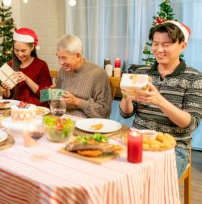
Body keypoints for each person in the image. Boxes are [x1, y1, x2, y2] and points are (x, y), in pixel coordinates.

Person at [119, 21, 202, 178]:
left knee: (151, 185)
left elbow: (190, 124)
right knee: (113, 175)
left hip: (173, 148)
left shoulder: (194, 78)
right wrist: (127, 97)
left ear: (182, 46)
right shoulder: (142, 72)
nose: (159, 49)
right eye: (155, 44)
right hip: (138, 141)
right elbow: (126, 114)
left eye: (166, 44)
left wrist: (159, 100)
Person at [55, 34, 112, 118]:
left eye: (64, 58)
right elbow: (58, 104)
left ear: (78, 56)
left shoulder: (98, 74)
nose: (60, 62)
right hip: (63, 120)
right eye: (58, 57)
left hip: (87, 124)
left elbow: (103, 111)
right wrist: (53, 94)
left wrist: (77, 102)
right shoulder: (62, 71)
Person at [1, 28, 52, 106]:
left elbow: (46, 96)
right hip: (19, 109)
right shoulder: (10, 65)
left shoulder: (41, 65)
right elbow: (9, 96)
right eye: (16, 50)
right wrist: (6, 90)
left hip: (38, 110)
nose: (20, 54)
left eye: (23, 51)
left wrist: (26, 79)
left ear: (32, 47)